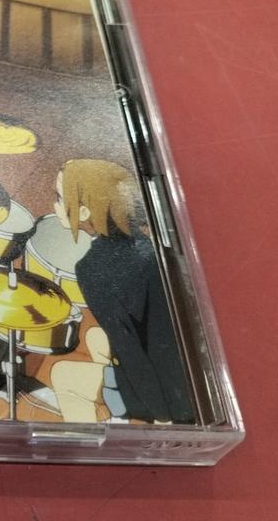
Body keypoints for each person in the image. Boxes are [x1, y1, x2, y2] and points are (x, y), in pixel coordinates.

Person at [49, 159, 195, 423]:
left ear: (84, 212)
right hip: (179, 365)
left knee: (62, 373)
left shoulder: (91, 268)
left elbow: (131, 350)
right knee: (95, 336)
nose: (55, 205)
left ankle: (104, 427)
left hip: (168, 398)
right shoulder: (144, 245)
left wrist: (162, 417)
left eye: (59, 198)